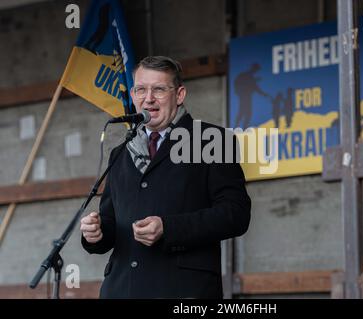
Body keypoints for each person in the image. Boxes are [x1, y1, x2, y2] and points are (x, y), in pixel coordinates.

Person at [80, 56, 251, 299]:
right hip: (121, 291)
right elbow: (111, 223)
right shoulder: (120, 152)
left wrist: (168, 228)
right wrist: (95, 234)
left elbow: (236, 214)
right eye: (141, 89)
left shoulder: (212, 140)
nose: (148, 98)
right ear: (133, 94)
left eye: (158, 89)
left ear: (179, 95)